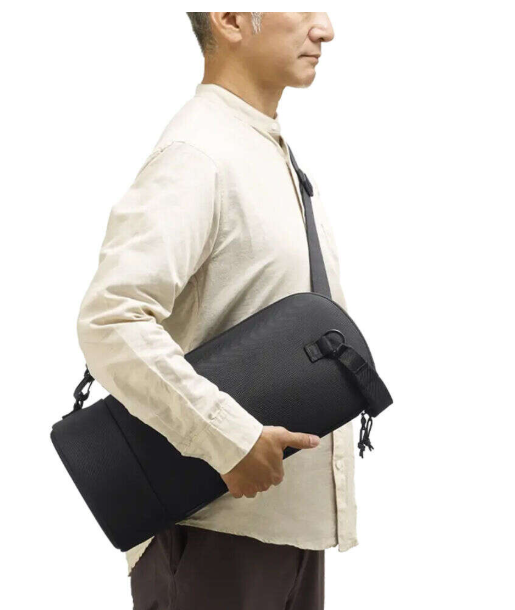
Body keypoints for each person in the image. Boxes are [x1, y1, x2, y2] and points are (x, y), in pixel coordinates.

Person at [77, 12, 357, 610]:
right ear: (230, 18)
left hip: (281, 533)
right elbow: (111, 319)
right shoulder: (197, 154)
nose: (326, 27)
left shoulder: (263, 150)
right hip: (212, 535)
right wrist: (229, 439)